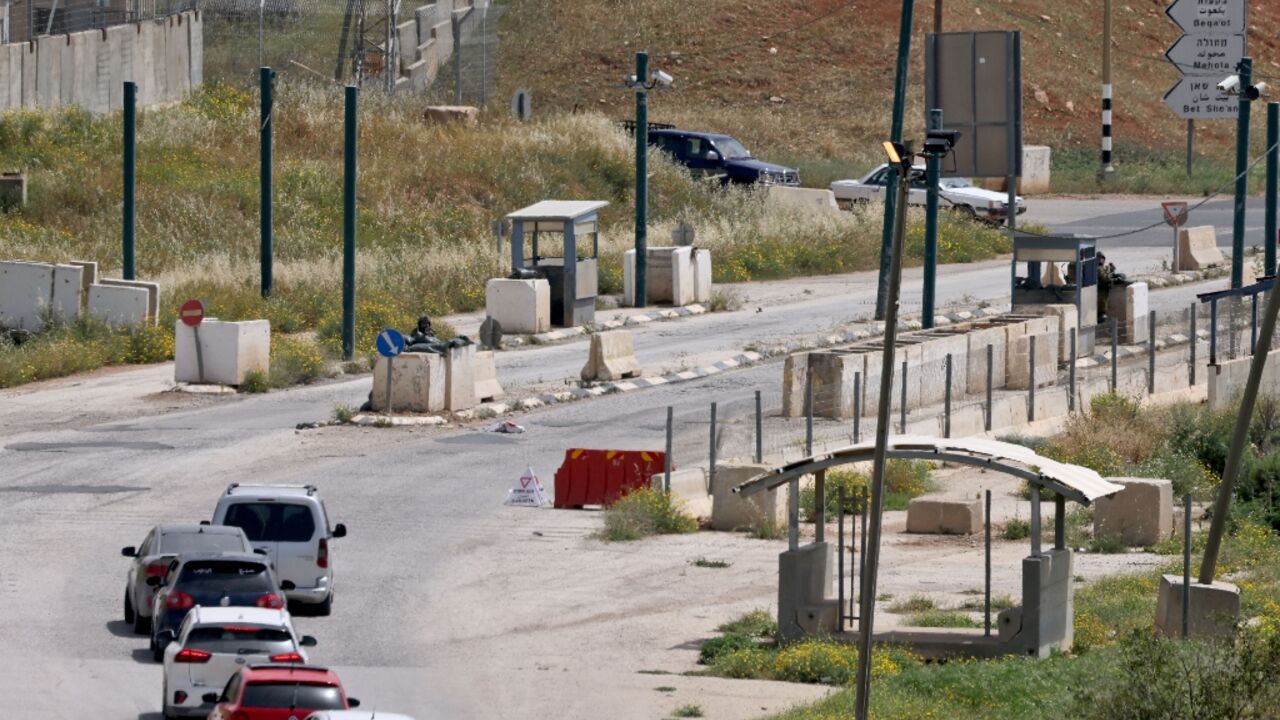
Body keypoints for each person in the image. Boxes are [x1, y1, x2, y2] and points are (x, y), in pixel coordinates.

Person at [404, 315, 472, 355]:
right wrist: (425, 335)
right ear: (419, 325)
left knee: (460, 338)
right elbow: (420, 339)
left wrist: (430, 335)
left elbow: (436, 340)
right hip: (431, 345)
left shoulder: (430, 333)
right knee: (449, 343)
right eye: (423, 324)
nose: (425, 325)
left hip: (437, 343)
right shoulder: (417, 333)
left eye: (427, 324)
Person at [1097, 252, 1116, 322]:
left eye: (1102, 258)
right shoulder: (1098, 268)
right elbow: (1105, 278)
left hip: (1103, 291)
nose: (1101, 260)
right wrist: (1110, 270)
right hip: (1101, 292)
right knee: (1102, 313)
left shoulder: (1101, 268)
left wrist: (1110, 270)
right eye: (1099, 258)